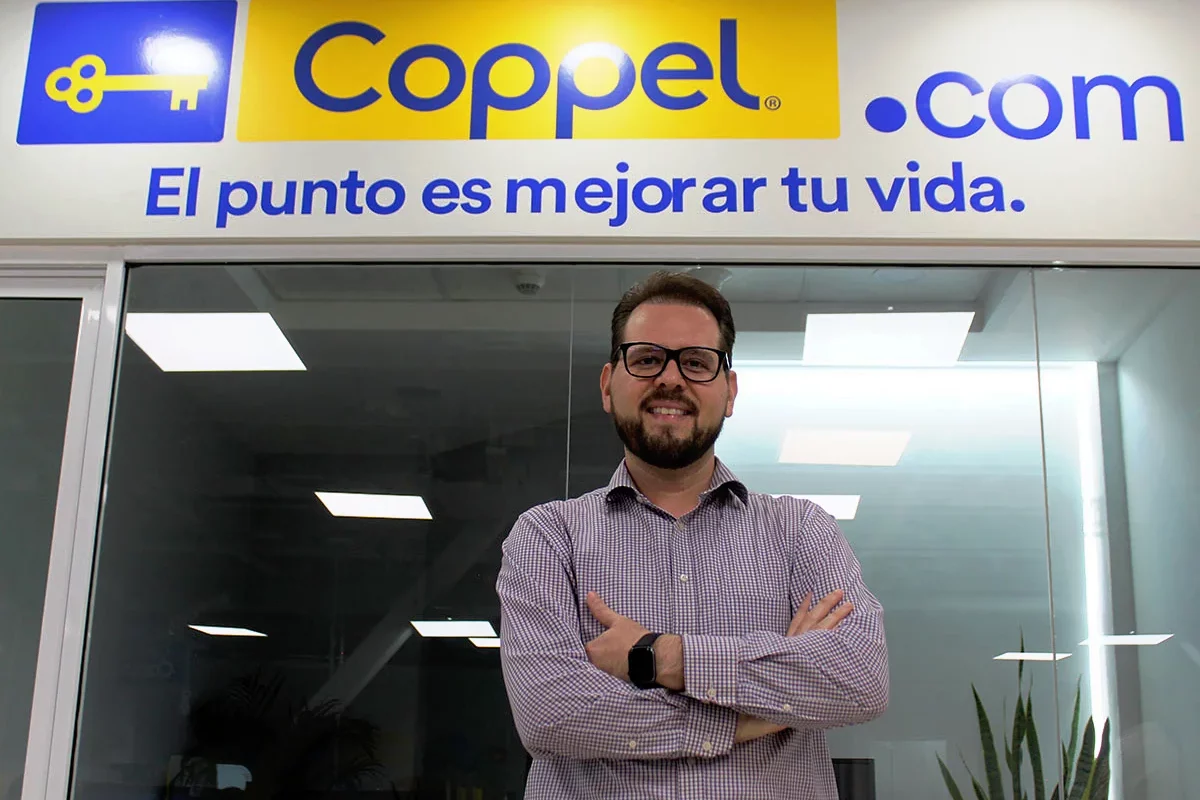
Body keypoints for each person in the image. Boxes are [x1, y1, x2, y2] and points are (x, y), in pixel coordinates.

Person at [496, 270, 888, 800]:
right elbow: (552, 715)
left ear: (729, 391)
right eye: (646, 359)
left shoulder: (801, 531)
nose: (671, 379)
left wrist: (656, 655)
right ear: (608, 385)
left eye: (697, 362)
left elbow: (859, 679)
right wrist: (755, 712)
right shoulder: (547, 537)